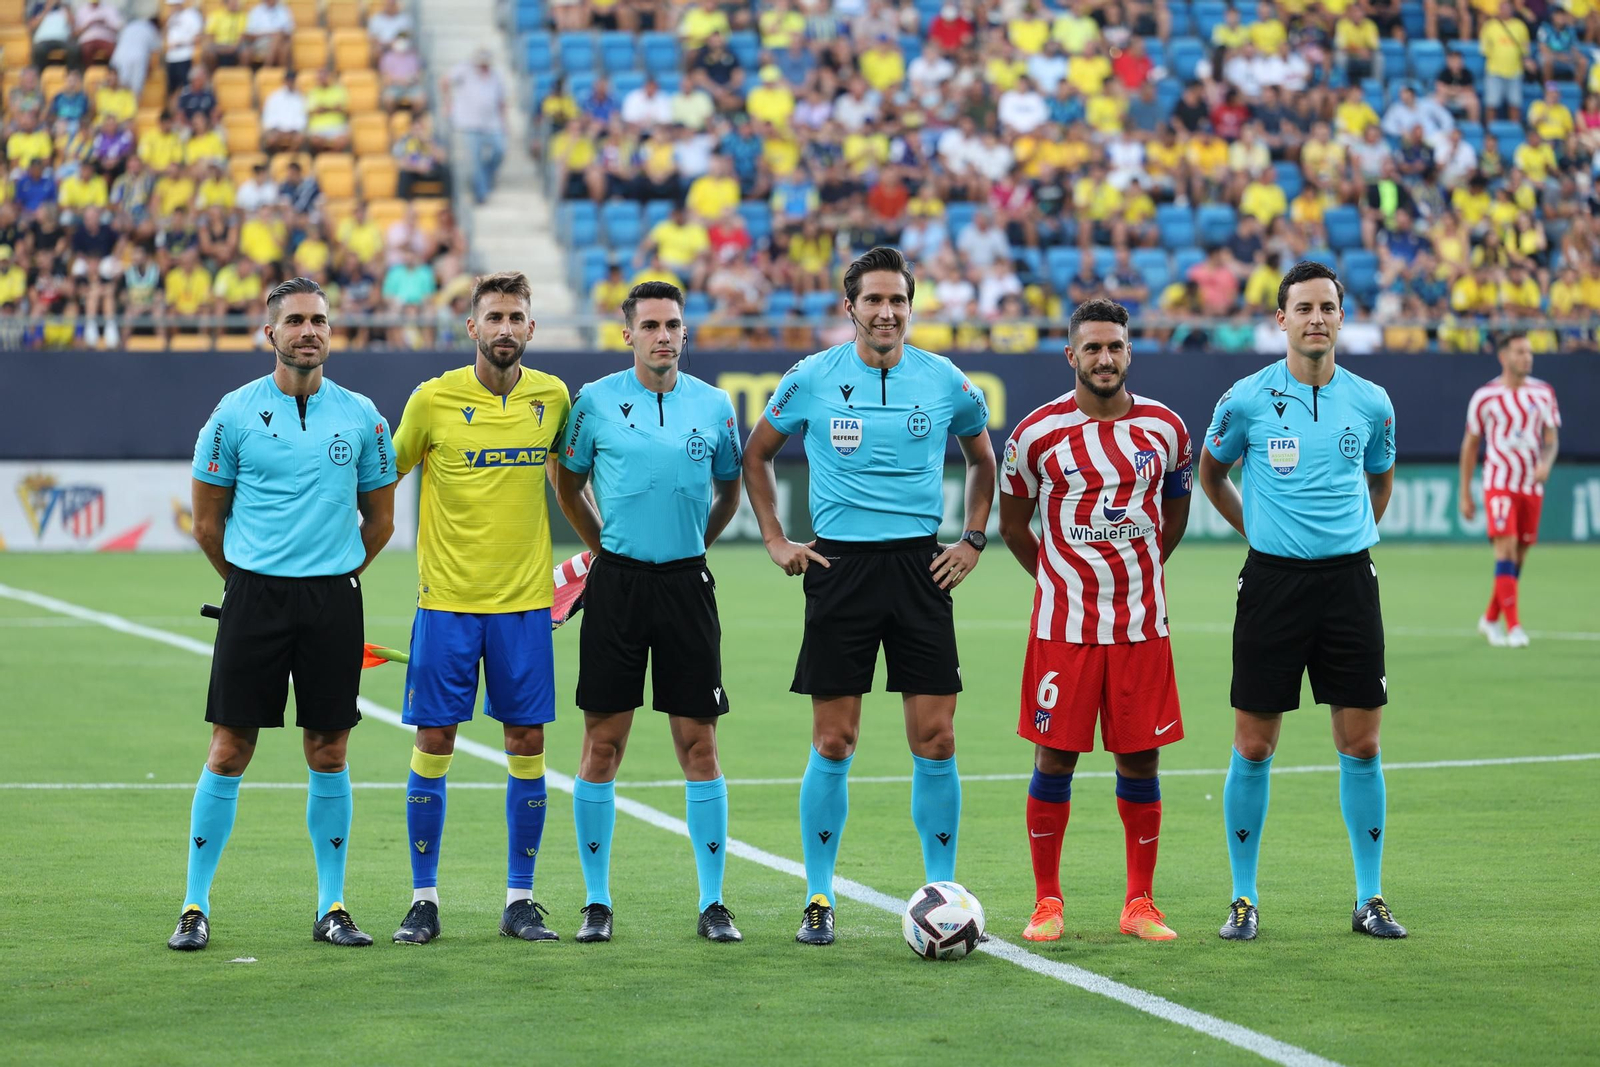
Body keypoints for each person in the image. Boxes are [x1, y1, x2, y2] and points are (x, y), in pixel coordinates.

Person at [742, 245, 997, 946]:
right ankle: (819, 895)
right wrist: (775, 537)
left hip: (921, 569)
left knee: (936, 737)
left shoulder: (944, 379)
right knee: (835, 738)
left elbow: (983, 456)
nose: (887, 312)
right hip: (839, 567)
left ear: (911, 307)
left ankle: (941, 890)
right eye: (874, 300)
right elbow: (756, 452)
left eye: (898, 300)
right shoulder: (812, 377)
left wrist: (973, 538)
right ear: (849, 307)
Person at [170, 277, 398, 951]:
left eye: (319, 320)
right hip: (254, 597)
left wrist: (337, 577)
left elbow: (380, 519)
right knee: (231, 746)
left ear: (332, 332)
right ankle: (193, 904)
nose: (309, 330)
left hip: (333, 598)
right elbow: (207, 522)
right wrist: (245, 585)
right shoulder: (234, 414)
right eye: (295, 320)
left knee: (329, 748)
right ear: (269, 333)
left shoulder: (361, 415)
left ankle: (332, 904)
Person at [1197, 261, 1405, 942]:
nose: (1317, 318)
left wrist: (1350, 537)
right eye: (1303, 308)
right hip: (1272, 584)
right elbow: (1212, 472)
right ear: (1280, 319)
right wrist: (1256, 529)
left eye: (1328, 307)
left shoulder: (1373, 402)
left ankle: (1370, 896)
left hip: (1349, 584)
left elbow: (1379, 482)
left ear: (1342, 317)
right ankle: (1243, 897)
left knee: (1363, 740)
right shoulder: (1246, 398)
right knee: (1254, 743)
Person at [388, 272, 580, 946]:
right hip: (446, 604)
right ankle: (423, 898)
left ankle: (520, 900)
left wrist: (599, 551)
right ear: (471, 327)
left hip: (525, 605)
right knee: (434, 741)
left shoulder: (553, 398)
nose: (504, 327)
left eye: (516, 316)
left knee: (527, 744)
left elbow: (569, 479)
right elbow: (383, 475)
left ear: (532, 328)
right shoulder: (432, 399)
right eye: (493, 316)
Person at [553, 281, 746, 945]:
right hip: (618, 587)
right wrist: (600, 543)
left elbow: (730, 489)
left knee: (700, 744)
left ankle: (714, 901)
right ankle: (597, 901)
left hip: (688, 585)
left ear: (685, 331)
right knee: (601, 745)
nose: (664, 335)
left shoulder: (716, 406)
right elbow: (567, 479)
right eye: (652, 325)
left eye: (674, 324)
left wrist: (698, 546)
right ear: (627, 332)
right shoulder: (595, 403)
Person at [997, 298, 1192, 944]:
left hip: (1141, 628)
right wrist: (1060, 576)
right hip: (1064, 626)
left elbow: (1175, 516)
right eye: (1093, 347)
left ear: (1129, 352)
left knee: (1141, 761)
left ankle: (1140, 902)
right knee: (1054, 759)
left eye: (1115, 346)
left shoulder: (1166, 430)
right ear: (1071, 354)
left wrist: (1137, 573)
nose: (1104, 358)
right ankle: (1046, 901)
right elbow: (1014, 525)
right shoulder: (1035, 434)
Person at [1459, 334, 1560, 649]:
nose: (1527, 357)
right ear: (1504, 356)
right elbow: (1470, 446)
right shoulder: (1485, 397)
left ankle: (1489, 618)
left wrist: (1546, 463)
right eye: (1520, 352)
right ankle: (1513, 626)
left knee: (1518, 555)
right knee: (1505, 547)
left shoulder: (1543, 393)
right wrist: (1465, 491)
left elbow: (1552, 439)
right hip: (1499, 482)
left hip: (1531, 484)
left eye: (1529, 352)